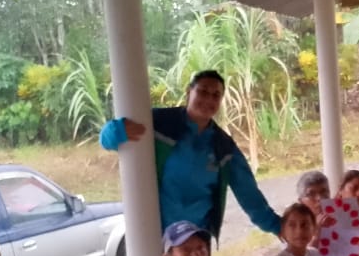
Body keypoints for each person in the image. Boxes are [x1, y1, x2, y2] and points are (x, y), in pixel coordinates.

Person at [99, 69, 281, 241]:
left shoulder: (223, 146)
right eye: (203, 91)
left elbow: (248, 193)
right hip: (154, 235)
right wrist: (116, 131)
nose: (209, 99)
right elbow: (107, 139)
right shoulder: (159, 123)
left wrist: (277, 226)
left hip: (195, 240)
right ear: (188, 92)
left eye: (216, 95)